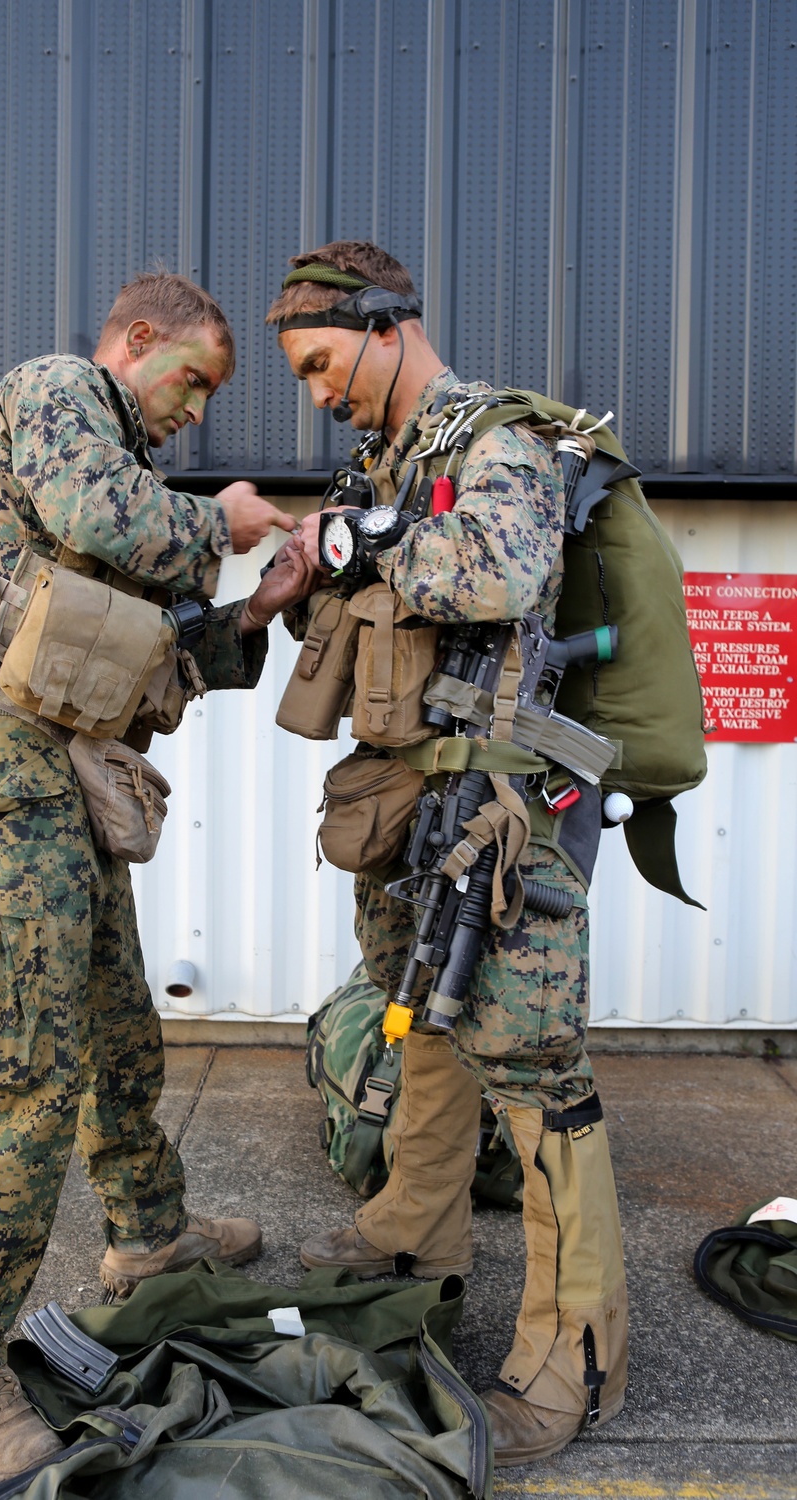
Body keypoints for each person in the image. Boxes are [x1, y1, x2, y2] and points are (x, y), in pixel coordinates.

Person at [0, 270, 313, 1482]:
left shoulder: (125, 487)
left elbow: (159, 660)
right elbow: (114, 519)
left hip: (60, 802)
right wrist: (225, 522)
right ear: (137, 341)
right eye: (194, 380)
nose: (195, 411)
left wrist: (259, 608)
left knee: (118, 1038)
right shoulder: (56, 396)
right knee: (10, 1094)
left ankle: (149, 1239)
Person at [267, 241, 628, 1467]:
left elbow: (504, 566)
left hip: (502, 812)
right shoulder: (385, 463)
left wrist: (363, 541)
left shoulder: (495, 442)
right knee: (422, 1013)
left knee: (533, 1071)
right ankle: (413, 1232)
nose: (316, 389)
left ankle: (572, 1357)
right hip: (409, 799)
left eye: (322, 362)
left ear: (385, 325)